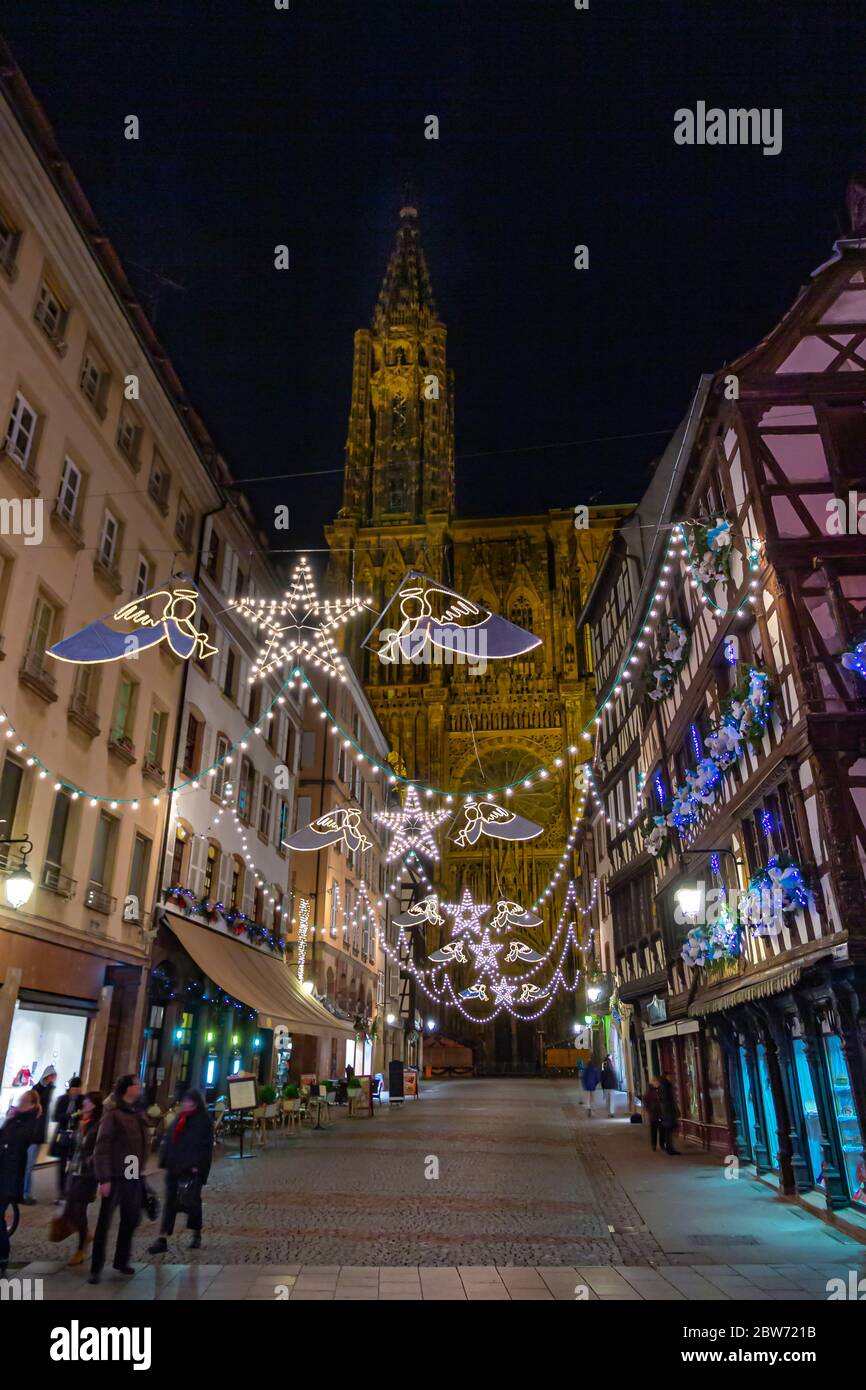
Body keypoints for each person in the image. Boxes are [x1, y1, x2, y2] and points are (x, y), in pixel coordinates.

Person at [89, 1074, 148, 1283]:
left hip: (132, 1174)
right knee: (104, 1223)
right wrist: (104, 1178)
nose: (139, 1087)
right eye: (136, 1084)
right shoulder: (113, 1114)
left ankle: (121, 1260)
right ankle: (96, 1267)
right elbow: (102, 1147)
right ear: (127, 1089)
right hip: (114, 1175)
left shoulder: (137, 1111)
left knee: (130, 1219)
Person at [147, 1089, 213, 1255]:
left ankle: (196, 1233)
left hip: (191, 1170)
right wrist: (165, 1160)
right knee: (170, 1202)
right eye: (184, 1101)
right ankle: (162, 1238)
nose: (186, 1104)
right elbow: (170, 1140)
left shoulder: (203, 1121)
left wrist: (198, 1167)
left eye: (189, 1102)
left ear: (196, 1103)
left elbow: (205, 1148)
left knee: (192, 1202)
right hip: (175, 1167)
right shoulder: (180, 1118)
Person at [0, 1089, 40, 1272]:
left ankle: (2, 1256)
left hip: (9, 1177)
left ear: (32, 1105)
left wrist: (12, 1119)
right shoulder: (14, 1119)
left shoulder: (30, 1122)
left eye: (24, 1101)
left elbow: (17, 1140)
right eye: (20, 1100)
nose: (20, 1104)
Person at [63, 1092, 102, 1266]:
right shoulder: (78, 1122)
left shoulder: (98, 1125)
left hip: (88, 1173)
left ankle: (81, 1249)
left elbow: (101, 1147)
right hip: (74, 1170)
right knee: (71, 1208)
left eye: (87, 1101)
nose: (83, 1103)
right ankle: (86, 1234)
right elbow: (73, 1146)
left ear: (93, 1105)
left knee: (79, 1208)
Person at [22, 1065, 56, 1203]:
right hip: (33, 1133)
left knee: (30, 1164)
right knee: (28, 1165)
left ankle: (25, 1192)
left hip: (39, 1132)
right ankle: (24, 1193)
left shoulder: (47, 1089)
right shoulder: (38, 1090)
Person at [49, 1074, 82, 1203]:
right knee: (62, 1164)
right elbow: (55, 1117)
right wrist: (69, 1115)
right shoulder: (62, 1099)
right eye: (74, 1089)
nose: (76, 1092)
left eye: (78, 1089)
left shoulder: (82, 1100)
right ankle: (61, 1193)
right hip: (63, 1135)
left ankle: (70, 1192)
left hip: (76, 1135)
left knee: (73, 1165)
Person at [657, 1072, 680, 1154]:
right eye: (670, 1076)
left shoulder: (663, 1086)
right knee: (669, 1130)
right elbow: (669, 1100)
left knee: (668, 1130)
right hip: (668, 1111)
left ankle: (669, 1148)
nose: (671, 1077)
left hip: (666, 1111)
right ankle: (670, 1148)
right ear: (666, 1077)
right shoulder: (666, 1086)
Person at [642, 1076, 664, 1151]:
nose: (656, 1083)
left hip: (661, 1113)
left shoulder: (661, 1090)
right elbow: (645, 1101)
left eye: (657, 1082)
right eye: (655, 1082)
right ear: (652, 1083)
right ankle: (653, 1145)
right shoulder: (649, 1091)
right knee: (653, 1130)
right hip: (653, 1114)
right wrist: (649, 1110)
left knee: (662, 1130)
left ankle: (662, 1144)